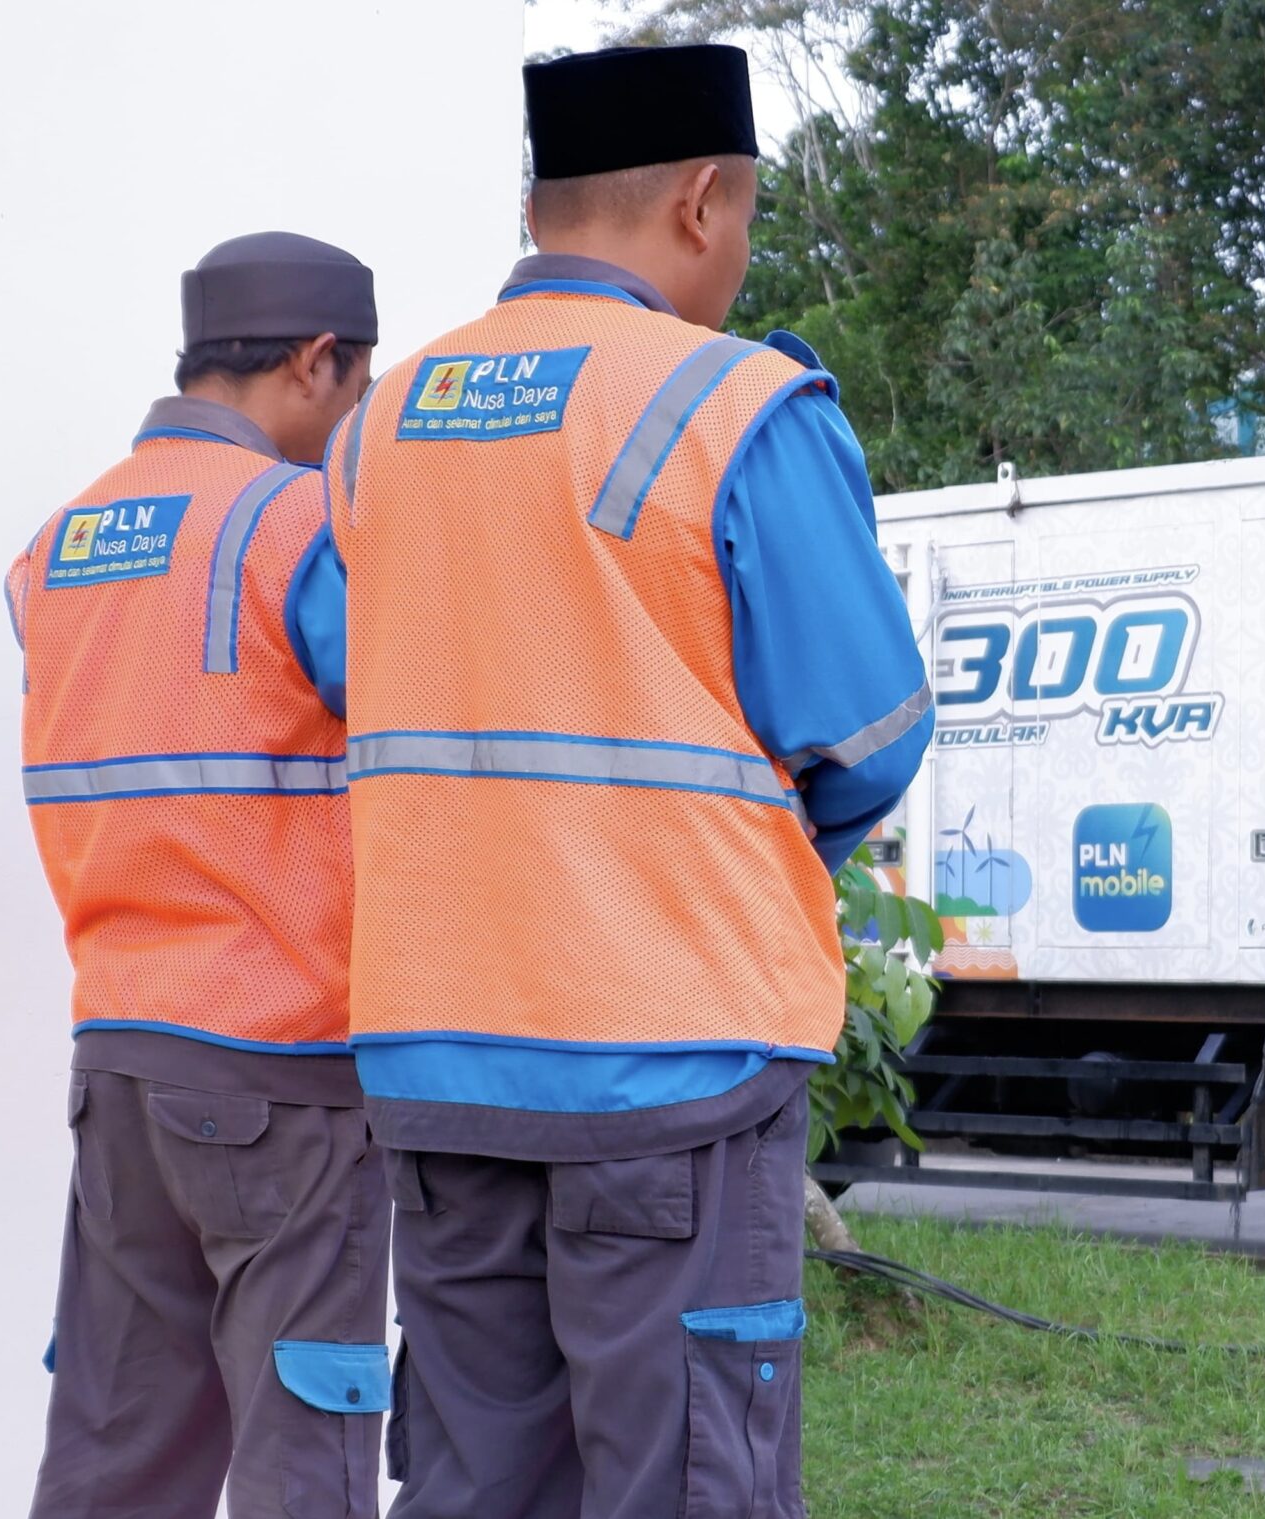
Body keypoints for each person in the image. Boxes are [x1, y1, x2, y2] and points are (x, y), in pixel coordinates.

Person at [320, 44, 931, 1519]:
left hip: (438, 1061)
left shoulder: (372, 430)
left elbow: (367, 684)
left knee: (473, 1479)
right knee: (683, 1477)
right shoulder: (730, 405)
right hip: (672, 1056)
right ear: (703, 202)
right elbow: (867, 736)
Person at [6, 232, 389, 1518]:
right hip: (282, 1071)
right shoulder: (297, 524)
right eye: (360, 389)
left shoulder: (59, 545)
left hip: (119, 1066)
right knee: (303, 1455)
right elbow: (417, 738)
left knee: (119, 1443)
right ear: (316, 362)